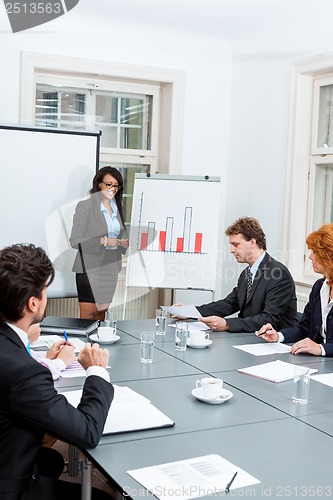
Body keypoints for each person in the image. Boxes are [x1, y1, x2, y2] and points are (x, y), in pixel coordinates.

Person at [0, 243, 114, 500]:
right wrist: (96, 371)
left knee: (50, 459)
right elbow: (87, 432)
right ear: (32, 303)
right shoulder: (24, 373)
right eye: (44, 292)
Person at [172, 216, 298, 332]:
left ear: (252, 242)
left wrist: (227, 324)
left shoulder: (279, 274)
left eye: (236, 244)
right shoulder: (246, 274)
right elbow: (229, 304)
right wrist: (191, 312)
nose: (231, 250)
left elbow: (269, 319)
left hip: (275, 344)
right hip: (250, 339)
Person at [256, 223, 333, 356]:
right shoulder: (319, 287)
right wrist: (278, 336)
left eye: (315, 252)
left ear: (329, 257)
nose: (310, 257)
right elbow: (303, 328)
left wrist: (321, 349)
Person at [70, 166, 129, 321]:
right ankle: (85, 346)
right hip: (90, 267)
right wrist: (103, 241)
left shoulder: (118, 208)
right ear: (99, 184)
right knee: (88, 315)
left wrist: (122, 243)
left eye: (116, 185)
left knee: (101, 315)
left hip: (110, 266)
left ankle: (97, 346)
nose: (113, 189)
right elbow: (75, 240)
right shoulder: (86, 206)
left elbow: (117, 236)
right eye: (109, 184)